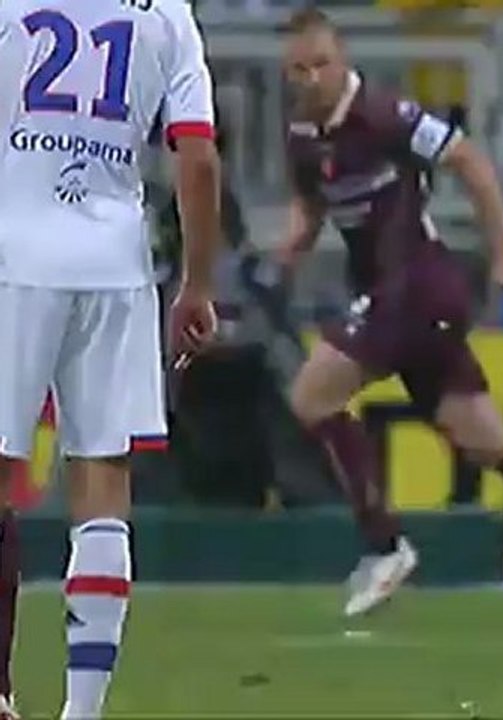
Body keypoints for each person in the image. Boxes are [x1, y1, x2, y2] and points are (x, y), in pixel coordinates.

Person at [277, 8, 503, 620]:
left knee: (312, 397)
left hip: (416, 287)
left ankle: (384, 545)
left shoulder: (386, 114)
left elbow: (470, 161)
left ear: (343, 61)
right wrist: (278, 263)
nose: (313, 78)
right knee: (485, 439)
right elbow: (310, 213)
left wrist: (502, 252)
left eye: (323, 64)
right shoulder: (303, 138)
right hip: (397, 299)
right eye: (300, 69)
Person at [0, 0, 221, 714]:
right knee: (102, 488)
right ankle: (83, 711)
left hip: (13, 256)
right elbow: (198, 155)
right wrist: (198, 285)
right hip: (116, 266)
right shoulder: (168, 14)